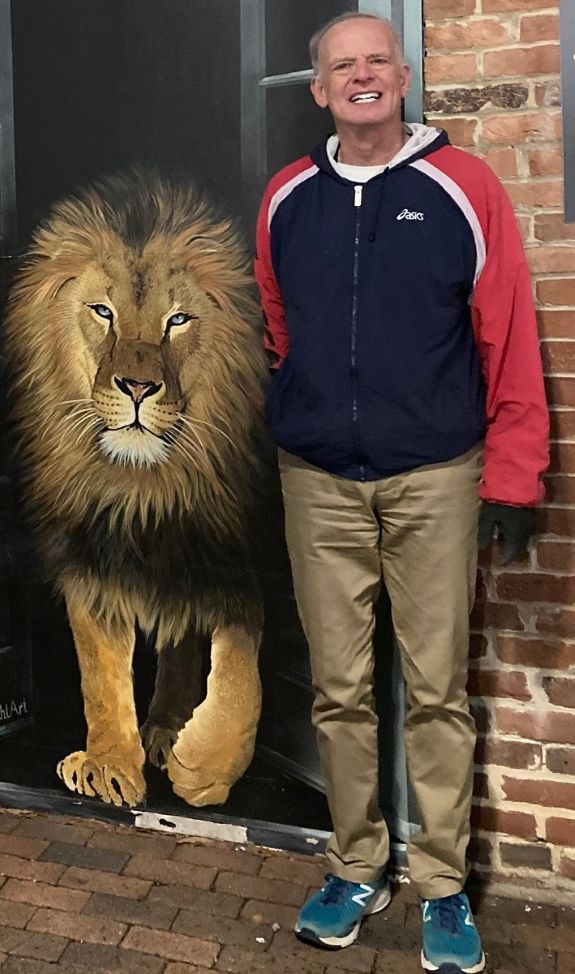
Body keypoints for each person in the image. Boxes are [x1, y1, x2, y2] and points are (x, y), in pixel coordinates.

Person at [254, 12, 549, 974]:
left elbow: (507, 333)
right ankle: (354, 868)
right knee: (338, 692)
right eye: (342, 65)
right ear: (319, 88)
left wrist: (513, 474)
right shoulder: (285, 197)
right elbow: (277, 321)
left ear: (406, 74)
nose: (361, 76)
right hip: (319, 483)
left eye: (377, 60)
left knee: (435, 693)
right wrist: (305, 406)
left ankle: (442, 885)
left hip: (435, 479)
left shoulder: (463, 189)